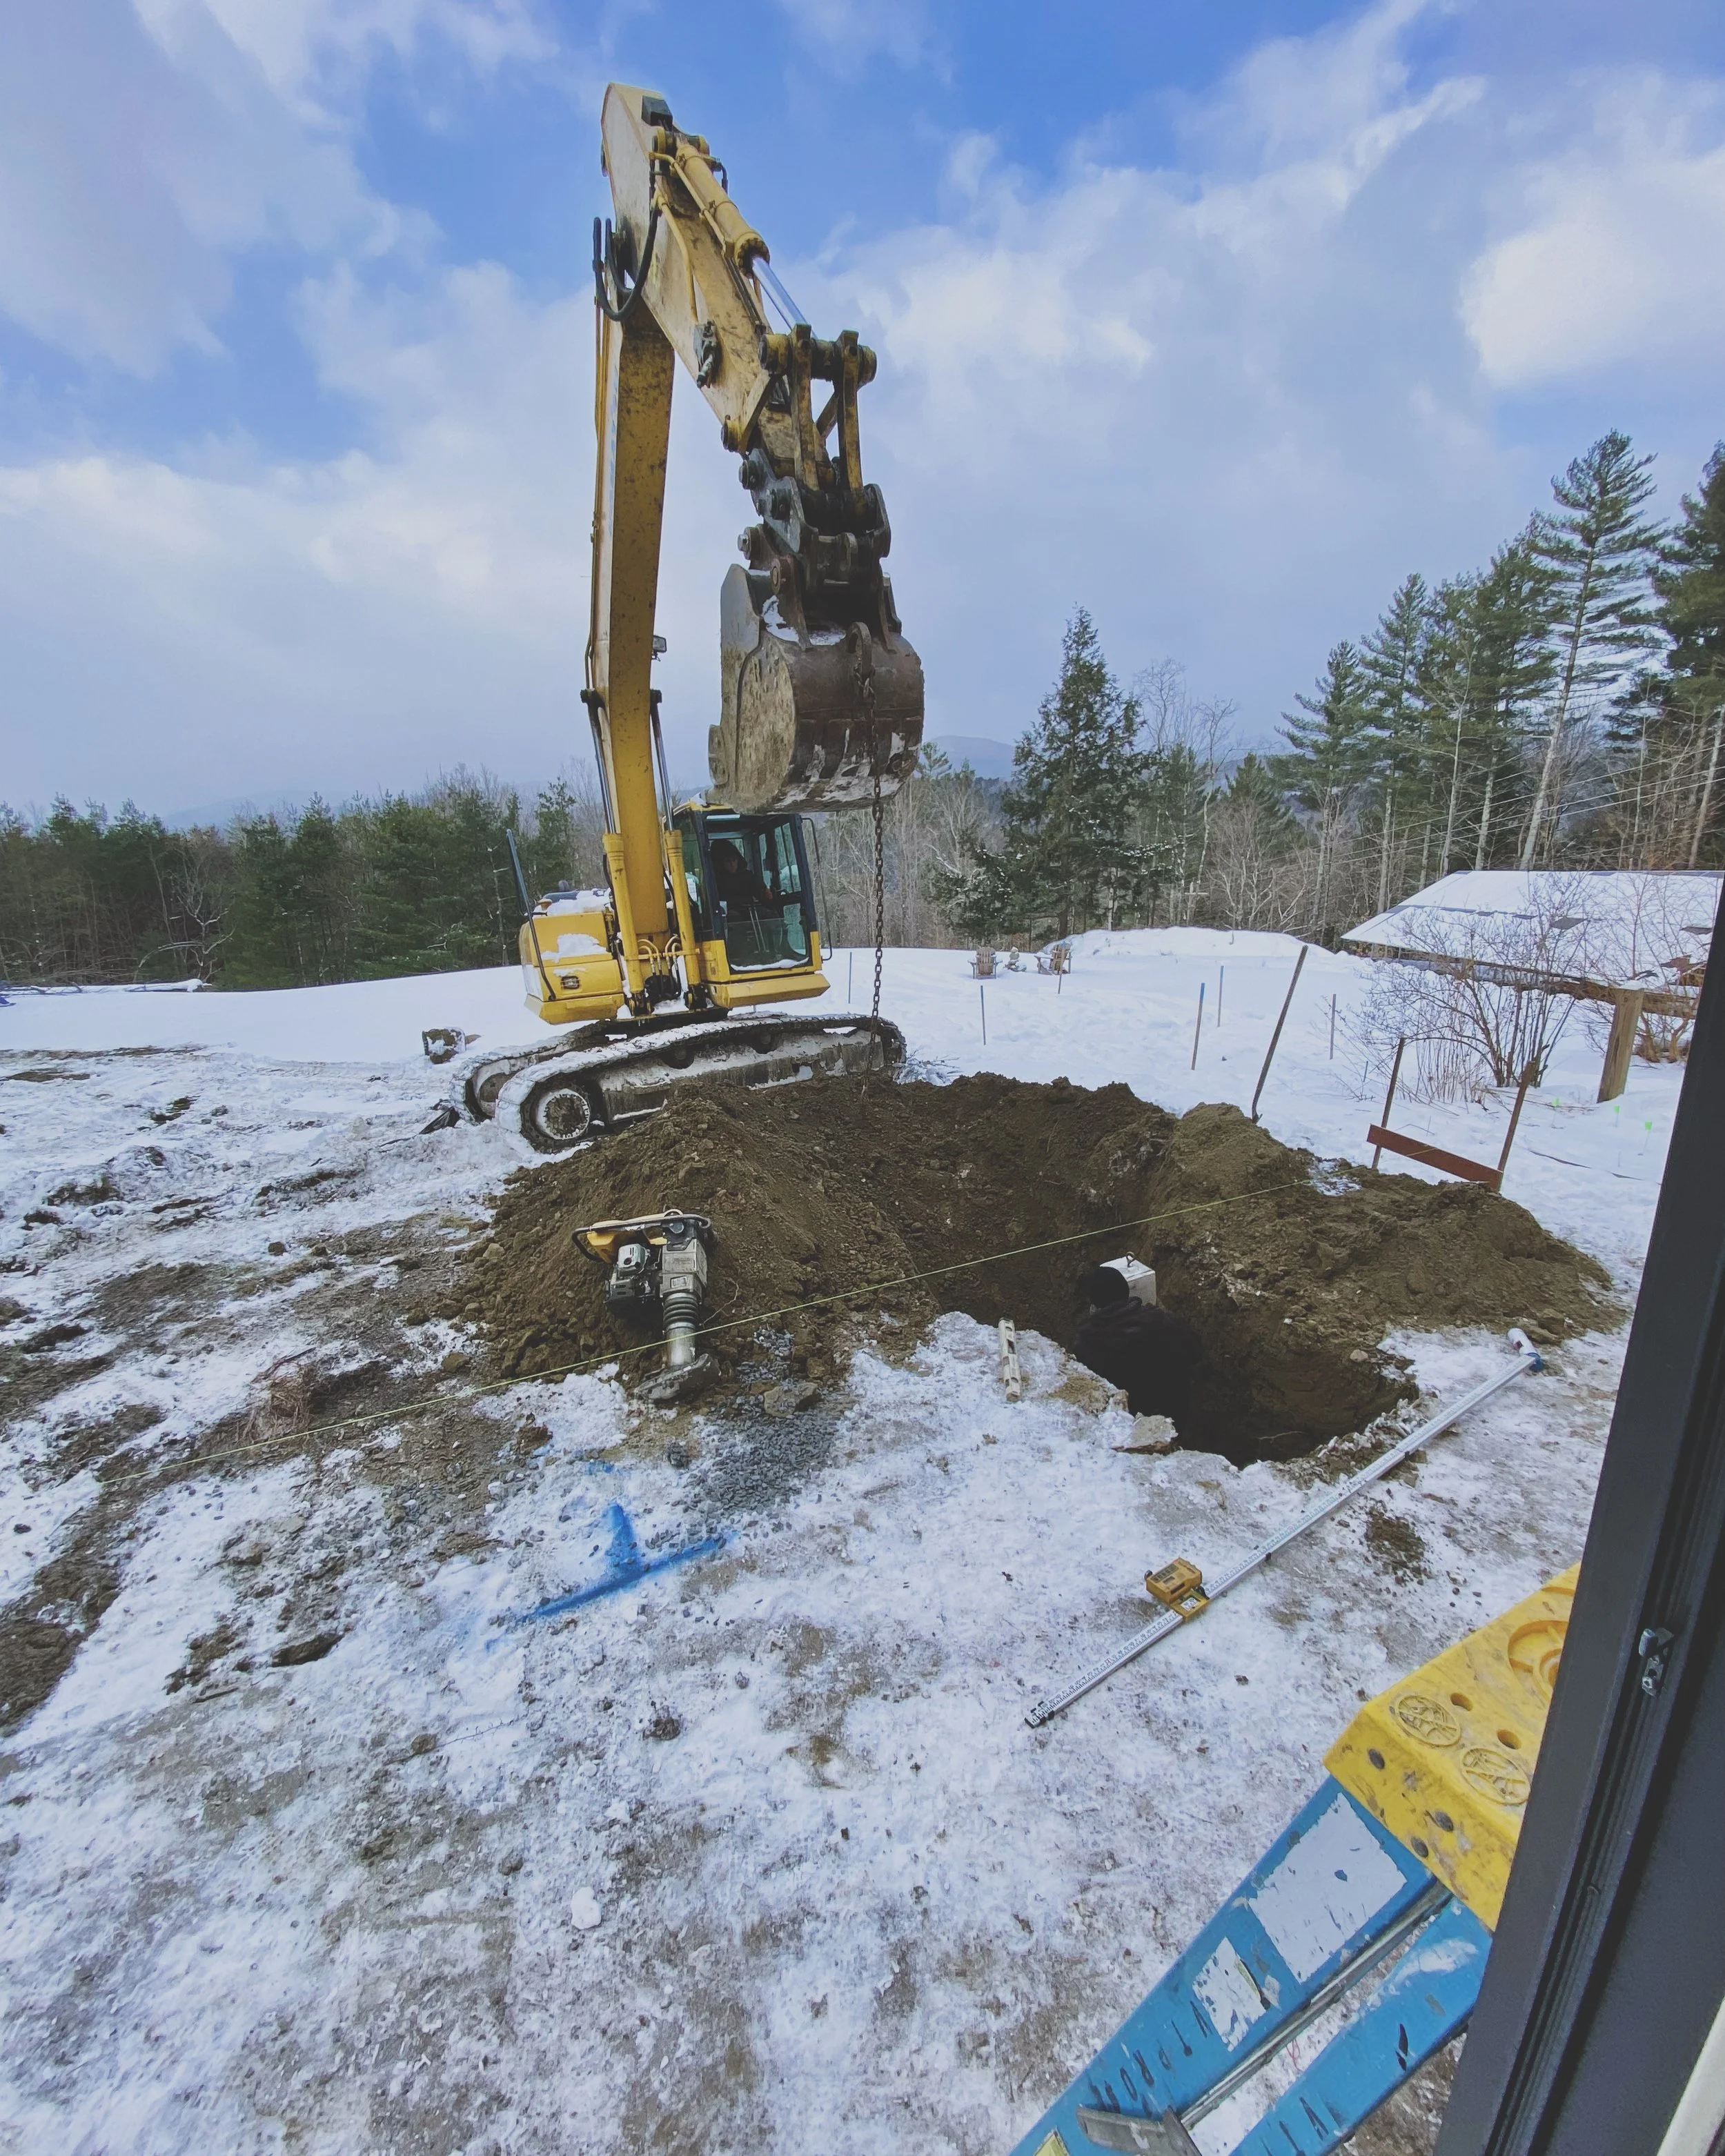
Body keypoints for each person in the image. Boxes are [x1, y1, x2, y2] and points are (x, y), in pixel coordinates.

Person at [1072, 1263, 1200, 1424]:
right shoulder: (1164, 1321)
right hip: (1174, 1410)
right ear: (1126, 1291)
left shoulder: (1087, 1341)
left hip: (1126, 1422)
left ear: (1094, 1304)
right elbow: (1195, 1352)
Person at [709, 839, 777, 912]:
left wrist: (766, 896)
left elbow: (761, 892)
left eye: (734, 860)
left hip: (749, 915)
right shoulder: (714, 880)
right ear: (721, 863)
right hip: (725, 917)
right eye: (728, 861)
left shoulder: (748, 877)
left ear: (738, 861)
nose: (732, 864)